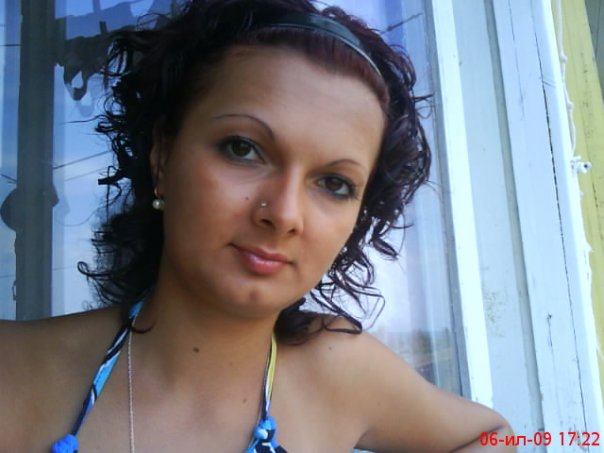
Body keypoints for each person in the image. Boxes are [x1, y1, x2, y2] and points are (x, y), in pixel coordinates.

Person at [0, 0, 515, 451]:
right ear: (162, 157)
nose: (284, 213)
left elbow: (496, 436)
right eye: (243, 149)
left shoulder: (342, 374)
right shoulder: (14, 373)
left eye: (334, 183)